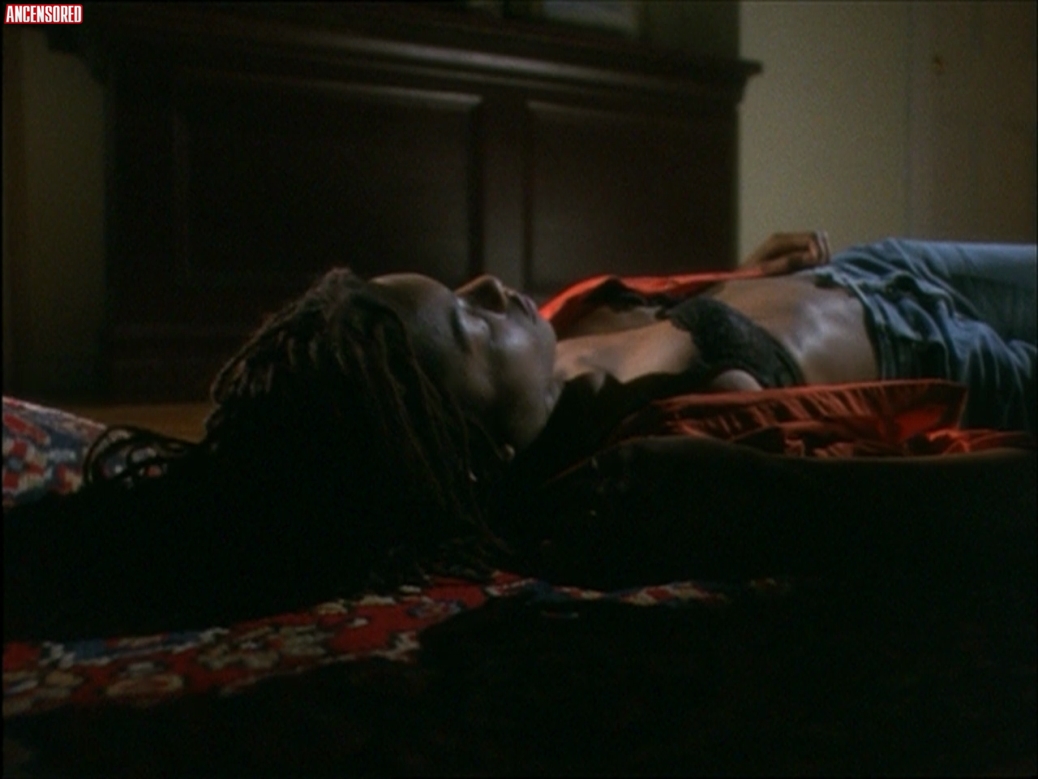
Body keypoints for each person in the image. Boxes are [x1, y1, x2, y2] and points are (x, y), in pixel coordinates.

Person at [3, 234, 1035, 641]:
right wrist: (755, 488)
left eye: (460, 289)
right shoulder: (636, 475)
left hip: (883, 267)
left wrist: (747, 276)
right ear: (469, 447)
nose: (495, 287)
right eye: (469, 322)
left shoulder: (544, 359)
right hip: (957, 356)